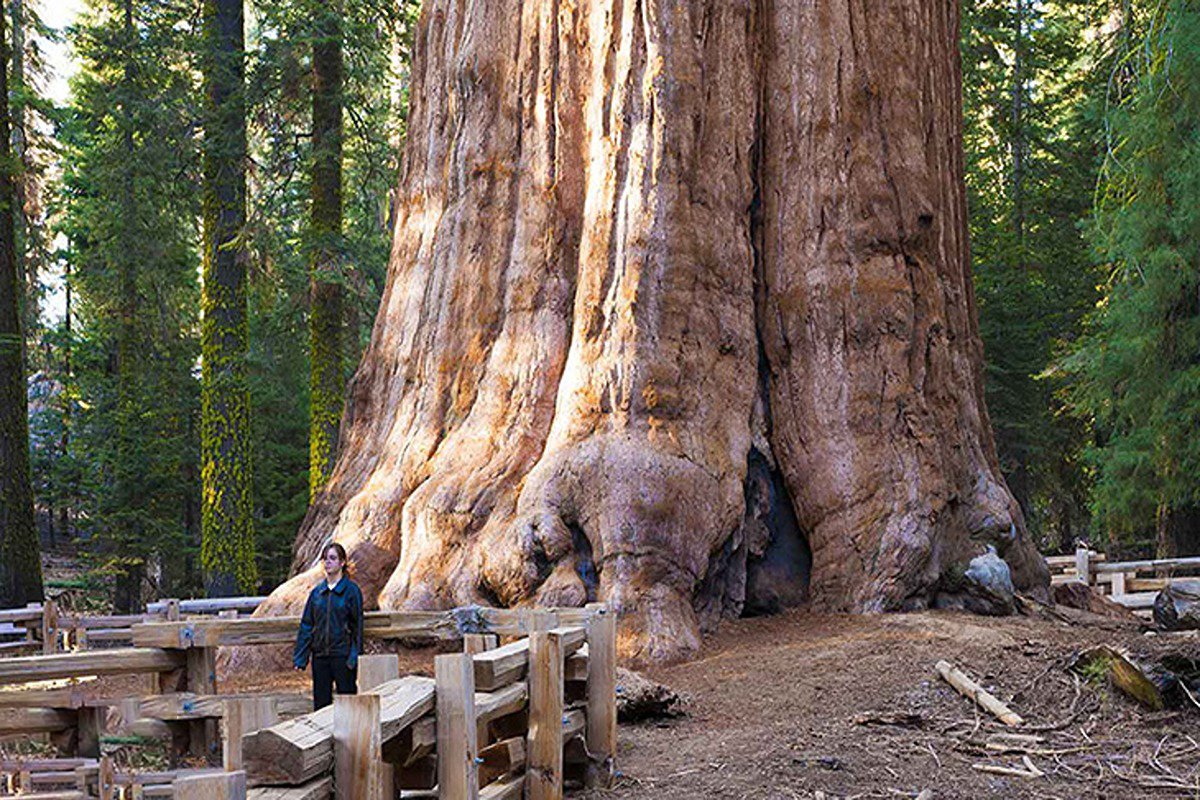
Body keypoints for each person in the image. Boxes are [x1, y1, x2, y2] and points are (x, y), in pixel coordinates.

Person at [293, 542, 364, 710]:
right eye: (325, 559)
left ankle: (349, 737)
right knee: (321, 706)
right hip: (320, 657)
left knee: (348, 705)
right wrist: (301, 657)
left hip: (343, 657)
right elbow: (307, 625)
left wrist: (354, 656)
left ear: (342, 562)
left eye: (332, 558)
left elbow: (357, 627)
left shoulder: (351, 591)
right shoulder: (317, 593)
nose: (328, 562)